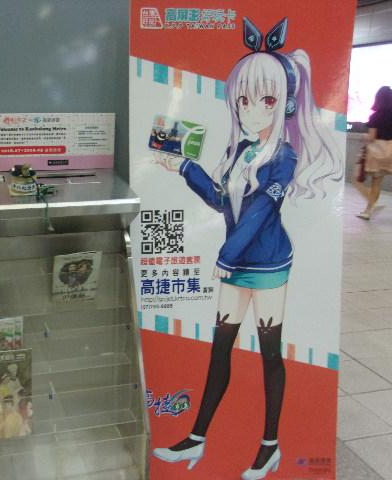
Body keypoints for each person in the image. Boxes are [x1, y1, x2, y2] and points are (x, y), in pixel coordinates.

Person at [153, 17, 342, 480]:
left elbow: (260, 212)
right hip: (236, 263)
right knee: (220, 348)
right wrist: (185, 167)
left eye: (266, 100)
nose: (252, 110)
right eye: (243, 99)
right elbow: (225, 201)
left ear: (287, 103)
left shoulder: (285, 157)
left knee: (269, 353)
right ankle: (197, 437)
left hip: (267, 264)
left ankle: (270, 446)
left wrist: (225, 257)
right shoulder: (241, 152)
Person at [356, 86, 392, 220]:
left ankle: (369, 210)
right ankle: (369, 209)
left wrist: (363, 137)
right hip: (390, 152)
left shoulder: (375, 116)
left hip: (377, 154)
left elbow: (371, 137)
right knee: (378, 182)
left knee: (371, 182)